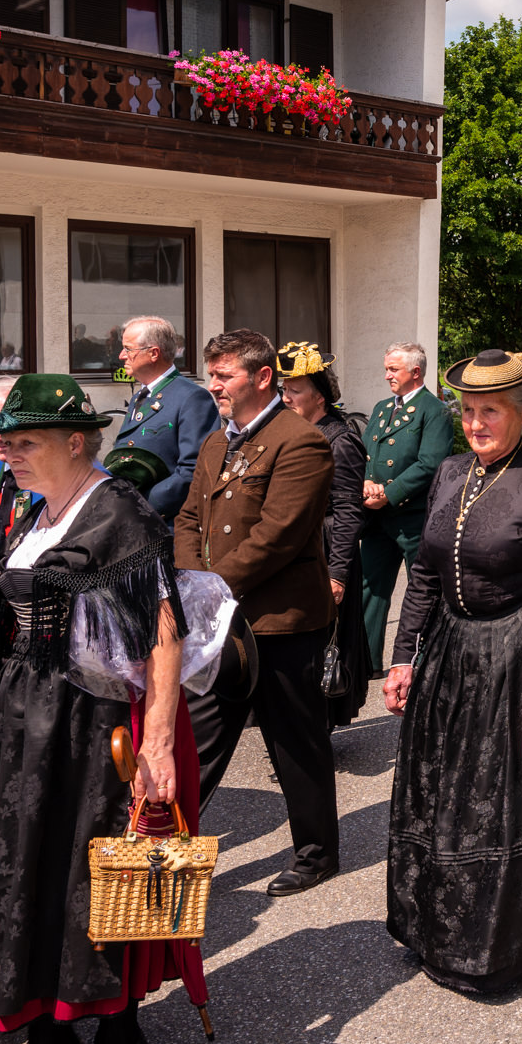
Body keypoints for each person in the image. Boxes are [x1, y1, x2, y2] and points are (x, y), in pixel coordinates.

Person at [0, 374, 202, 1044]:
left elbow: (163, 632)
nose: (7, 453)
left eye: (24, 442)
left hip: (98, 717)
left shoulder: (118, 510)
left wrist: (158, 744)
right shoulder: (33, 509)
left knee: (99, 867)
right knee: (31, 862)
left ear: (76, 442)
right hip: (27, 708)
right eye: (3, 442)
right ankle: (46, 1012)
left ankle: (118, 1020)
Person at [383, 348, 522, 991]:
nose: (476, 423)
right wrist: (404, 656)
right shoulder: (450, 472)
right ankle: (432, 928)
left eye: (491, 412)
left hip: (516, 658)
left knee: (500, 806)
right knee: (438, 795)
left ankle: (497, 949)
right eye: (468, 411)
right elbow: (425, 575)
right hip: (451, 656)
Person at [178, 329, 340, 895]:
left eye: (224, 375)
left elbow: (278, 537)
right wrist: (191, 584)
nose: (213, 385)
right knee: (197, 739)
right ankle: (161, 848)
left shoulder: (301, 441)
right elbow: (189, 519)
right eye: (212, 374)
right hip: (218, 620)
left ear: (263, 377)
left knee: (295, 741)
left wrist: (209, 588)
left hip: (280, 622)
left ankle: (317, 853)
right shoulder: (215, 442)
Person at [276, 342, 373, 727]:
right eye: (284, 390)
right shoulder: (296, 432)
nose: (286, 398)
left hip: (327, 553)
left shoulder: (340, 440)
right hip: (298, 553)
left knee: (323, 647)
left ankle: (317, 727)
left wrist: (338, 574)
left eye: (295, 391)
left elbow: (349, 512)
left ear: (319, 395)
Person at [359, 342, 452, 679]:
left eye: (393, 369)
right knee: (370, 586)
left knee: (421, 591)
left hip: (414, 517)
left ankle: (423, 661)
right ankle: (366, 661)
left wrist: (389, 493)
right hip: (377, 516)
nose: (387, 376)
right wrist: (366, 484)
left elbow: (431, 464)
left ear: (415, 372)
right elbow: (367, 453)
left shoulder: (434, 410)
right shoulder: (383, 407)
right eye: (387, 369)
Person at [107, 315, 219, 522]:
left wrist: (140, 505)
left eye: (128, 349)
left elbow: (194, 470)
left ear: (153, 353)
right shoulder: (140, 397)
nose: (122, 356)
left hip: (164, 522)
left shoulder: (191, 398)